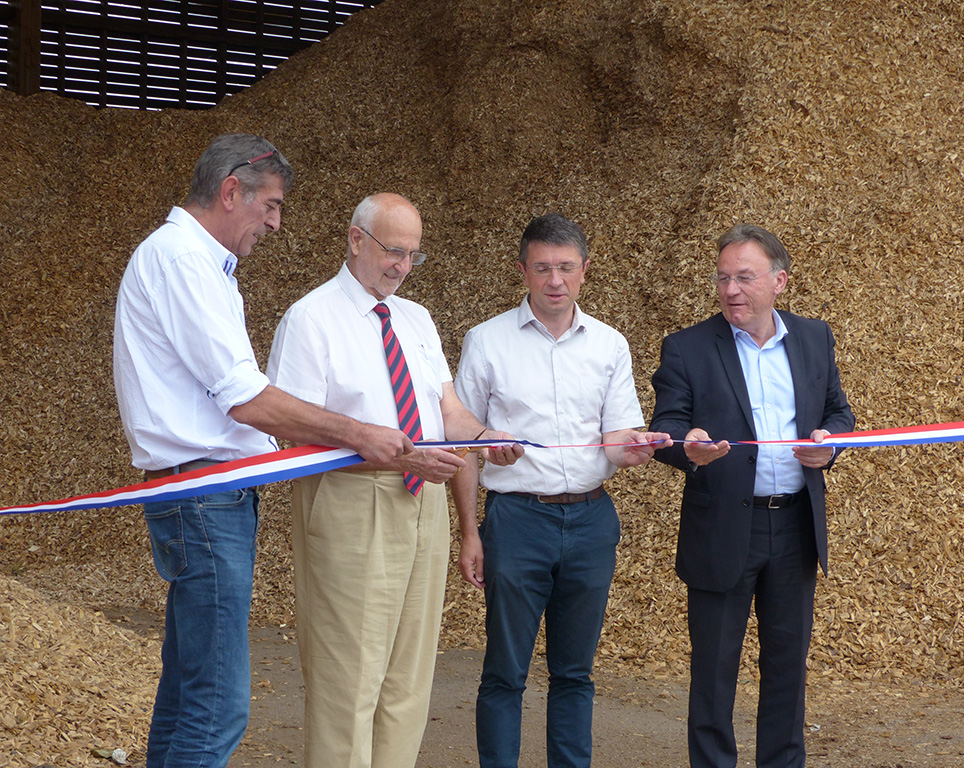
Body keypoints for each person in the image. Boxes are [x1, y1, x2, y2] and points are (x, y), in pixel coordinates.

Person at [112, 135, 414, 768]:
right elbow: (244, 397)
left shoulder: (193, 262)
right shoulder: (183, 262)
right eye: (271, 205)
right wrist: (360, 433)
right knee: (219, 704)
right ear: (231, 192)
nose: (276, 223)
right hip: (204, 493)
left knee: (190, 690)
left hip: (206, 490)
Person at [265, 192, 523, 768]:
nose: (402, 266)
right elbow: (290, 430)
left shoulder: (416, 318)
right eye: (393, 251)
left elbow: (447, 409)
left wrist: (483, 439)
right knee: (347, 677)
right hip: (350, 500)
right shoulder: (311, 318)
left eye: (413, 255)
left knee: (409, 676)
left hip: (423, 497)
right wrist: (395, 457)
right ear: (356, 240)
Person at [454, 212, 672, 768]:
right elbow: (460, 444)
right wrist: (469, 532)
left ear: (585, 271)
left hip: (592, 522)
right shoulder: (486, 341)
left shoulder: (609, 345)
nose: (555, 280)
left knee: (575, 672)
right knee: (505, 671)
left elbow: (617, 440)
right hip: (516, 521)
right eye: (543, 268)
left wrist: (638, 448)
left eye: (567, 268)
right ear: (523, 270)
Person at [648, 223, 855, 768]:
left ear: (779, 281)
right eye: (722, 279)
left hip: (794, 528)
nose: (731, 290)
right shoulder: (687, 347)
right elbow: (666, 427)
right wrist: (686, 446)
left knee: (787, 667)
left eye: (744, 277)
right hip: (721, 530)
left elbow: (838, 413)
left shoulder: (814, 337)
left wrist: (828, 447)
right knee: (714, 672)